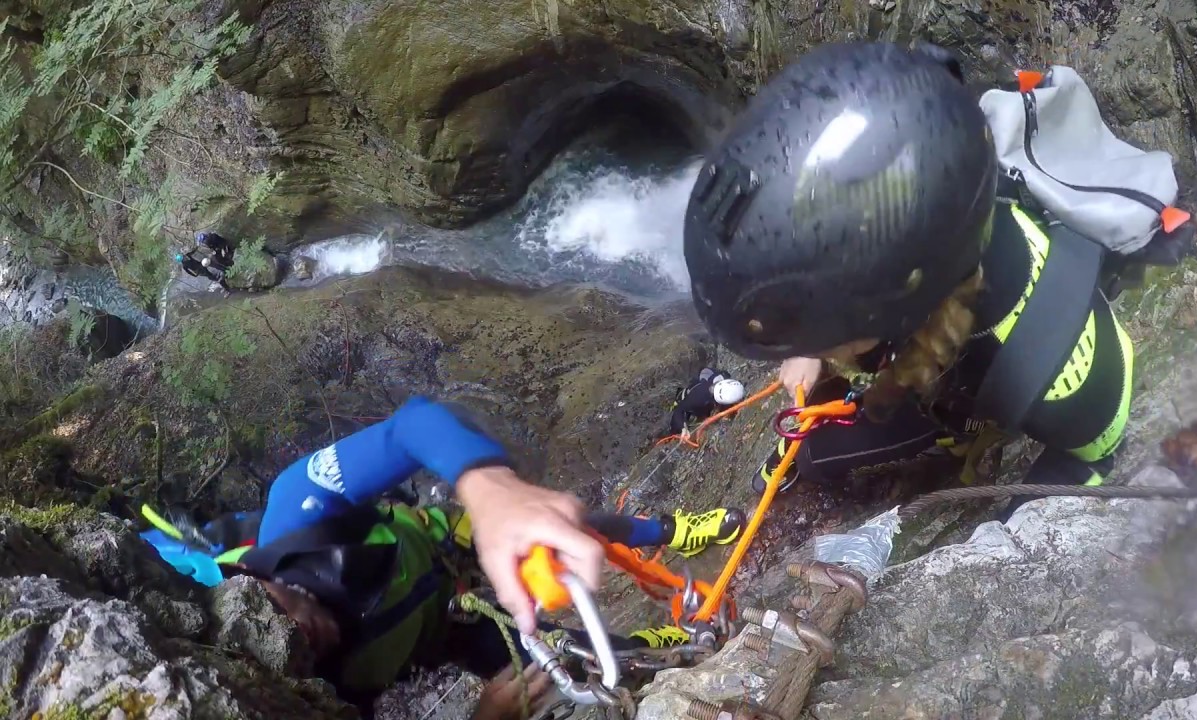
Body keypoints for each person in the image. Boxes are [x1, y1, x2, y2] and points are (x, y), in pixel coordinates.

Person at [681, 41, 1133, 515]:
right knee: (817, 452)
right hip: (949, 350)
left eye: (831, 337)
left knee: (817, 454)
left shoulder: (1065, 383)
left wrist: (1006, 526)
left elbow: (1096, 449)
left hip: (984, 383)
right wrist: (810, 343)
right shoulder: (939, 217)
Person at [142, 397, 744, 715]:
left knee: (560, 523)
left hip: (438, 542)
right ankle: (669, 644)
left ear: (246, 572)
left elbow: (413, 427)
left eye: (272, 611)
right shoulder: (314, 699)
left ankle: (667, 529)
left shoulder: (296, 512)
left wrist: (490, 489)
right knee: (572, 663)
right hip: (441, 634)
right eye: (283, 654)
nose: (295, 632)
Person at [668, 367, 747, 436]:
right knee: (678, 425)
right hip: (689, 397)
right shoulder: (699, 397)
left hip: (703, 389)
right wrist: (682, 427)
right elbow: (680, 409)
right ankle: (672, 434)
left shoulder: (726, 381)